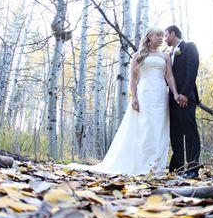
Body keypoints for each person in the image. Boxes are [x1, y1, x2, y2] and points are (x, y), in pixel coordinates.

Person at [67, 27, 180, 176]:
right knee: (145, 128)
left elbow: (169, 77)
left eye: (162, 35)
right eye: (158, 35)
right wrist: (134, 97)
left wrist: (175, 93)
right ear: (149, 37)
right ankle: (143, 166)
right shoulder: (138, 55)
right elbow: (133, 79)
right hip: (145, 93)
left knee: (159, 129)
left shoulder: (165, 56)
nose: (161, 38)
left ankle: (157, 167)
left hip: (160, 95)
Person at [164, 25, 201, 179]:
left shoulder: (189, 47)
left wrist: (184, 94)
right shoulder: (168, 54)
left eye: (166, 35)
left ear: (173, 34)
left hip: (186, 97)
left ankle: (193, 168)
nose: (165, 39)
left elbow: (192, 70)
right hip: (172, 98)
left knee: (190, 132)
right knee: (175, 133)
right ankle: (177, 168)